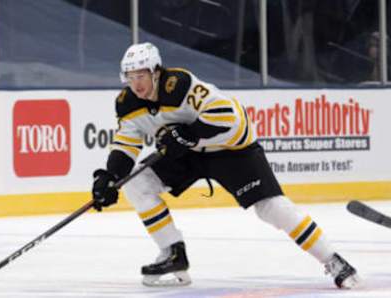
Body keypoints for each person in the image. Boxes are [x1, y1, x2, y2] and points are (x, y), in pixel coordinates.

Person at [91, 42, 360, 288]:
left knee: (271, 208)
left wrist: (190, 133)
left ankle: (334, 260)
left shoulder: (180, 84)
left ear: (156, 71)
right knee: (138, 183)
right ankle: (173, 253)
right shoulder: (127, 104)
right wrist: (109, 177)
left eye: (142, 75)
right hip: (190, 152)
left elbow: (230, 116)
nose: (136, 84)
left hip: (231, 147)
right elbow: (126, 144)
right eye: (131, 77)